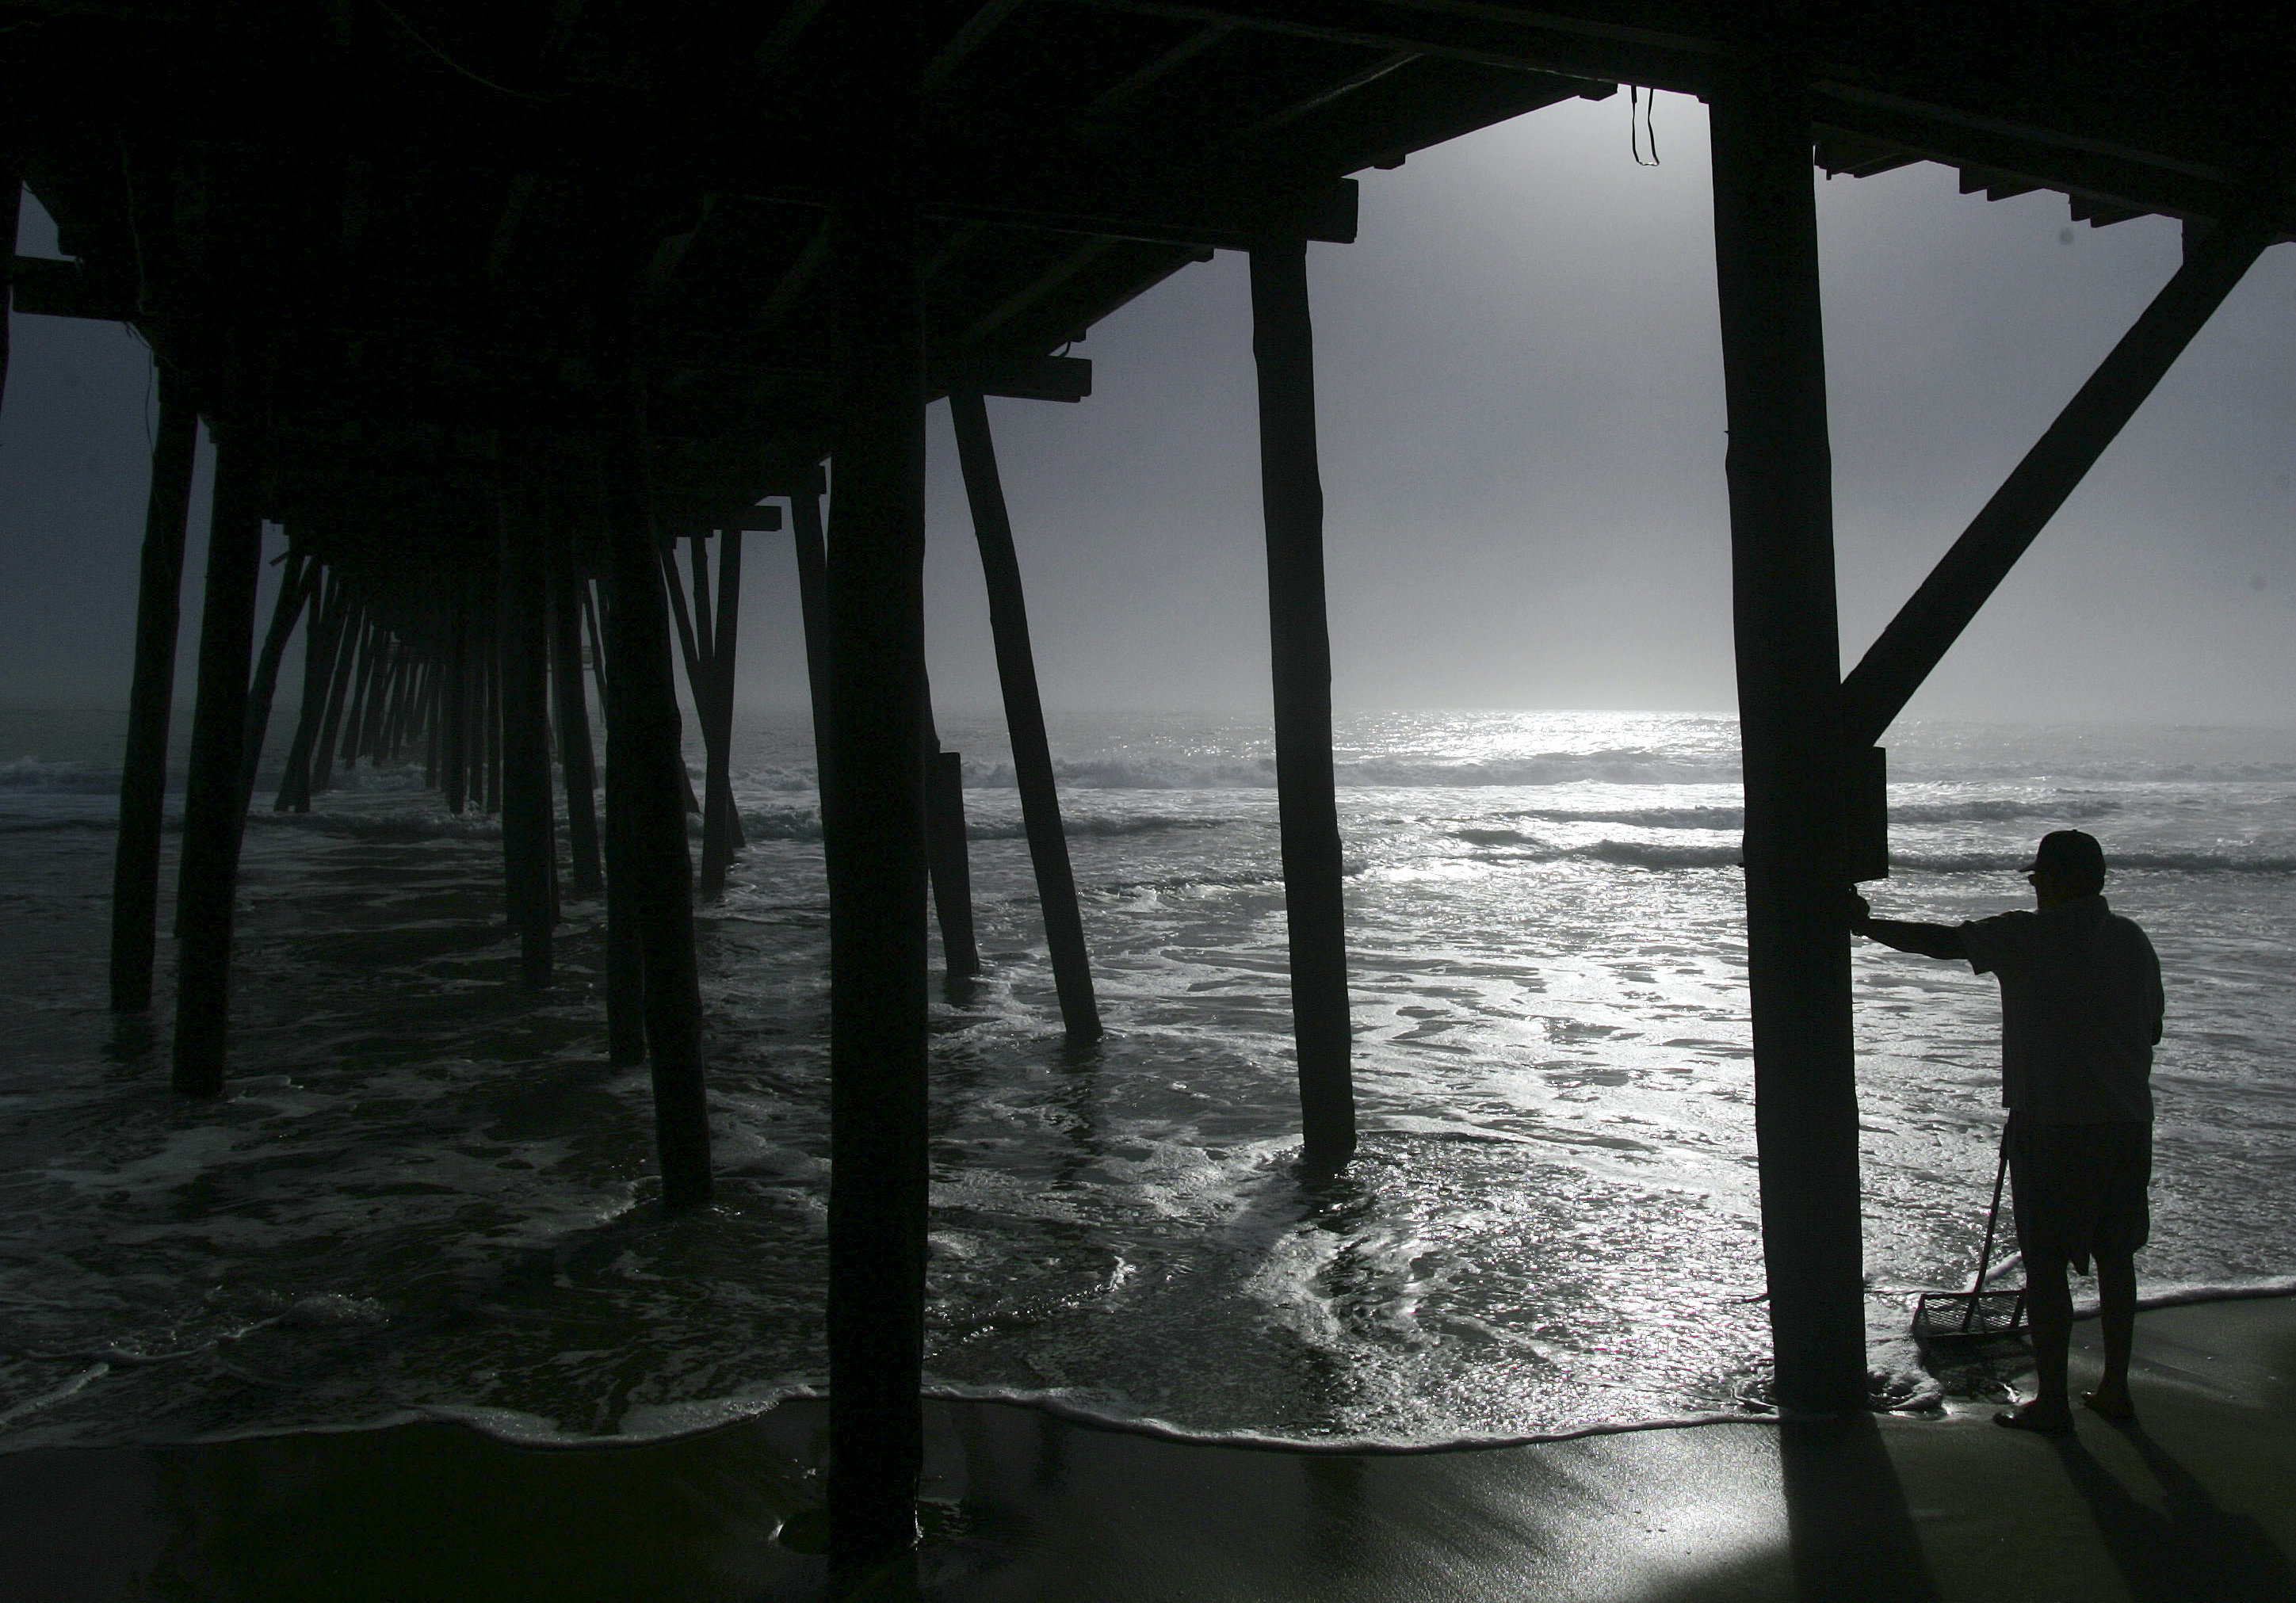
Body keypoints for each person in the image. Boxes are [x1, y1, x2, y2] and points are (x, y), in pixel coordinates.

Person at [1849, 829, 2164, 1434]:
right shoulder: (2131, 939)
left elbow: (1942, 943)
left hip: (2053, 1124)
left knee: (2044, 1263)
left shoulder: (2029, 934)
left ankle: (2051, 1401)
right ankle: (2114, 1389)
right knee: (2115, 1256)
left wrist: (1864, 925)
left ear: (2055, 879)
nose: (2034, 886)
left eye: (2038, 877)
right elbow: (2151, 1029)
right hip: (2127, 1121)